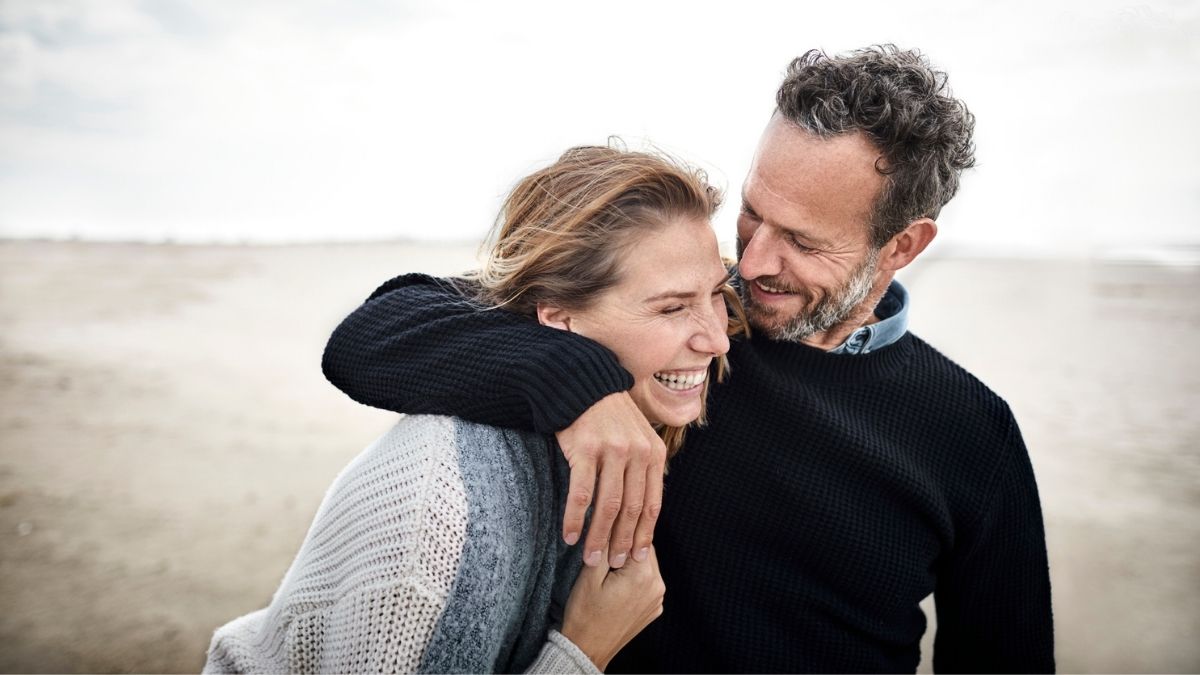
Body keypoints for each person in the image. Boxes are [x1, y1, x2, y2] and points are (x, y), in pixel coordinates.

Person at [321, 45, 1055, 673]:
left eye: (802, 241)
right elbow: (376, 331)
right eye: (754, 214)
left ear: (903, 246)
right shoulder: (676, 325)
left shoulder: (975, 432)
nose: (753, 263)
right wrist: (580, 387)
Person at [203, 145, 742, 673]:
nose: (718, 338)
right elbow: (375, 329)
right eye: (672, 308)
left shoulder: (737, 337)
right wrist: (583, 651)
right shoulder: (440, 525)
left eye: (717, 292)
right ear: (559, 322)